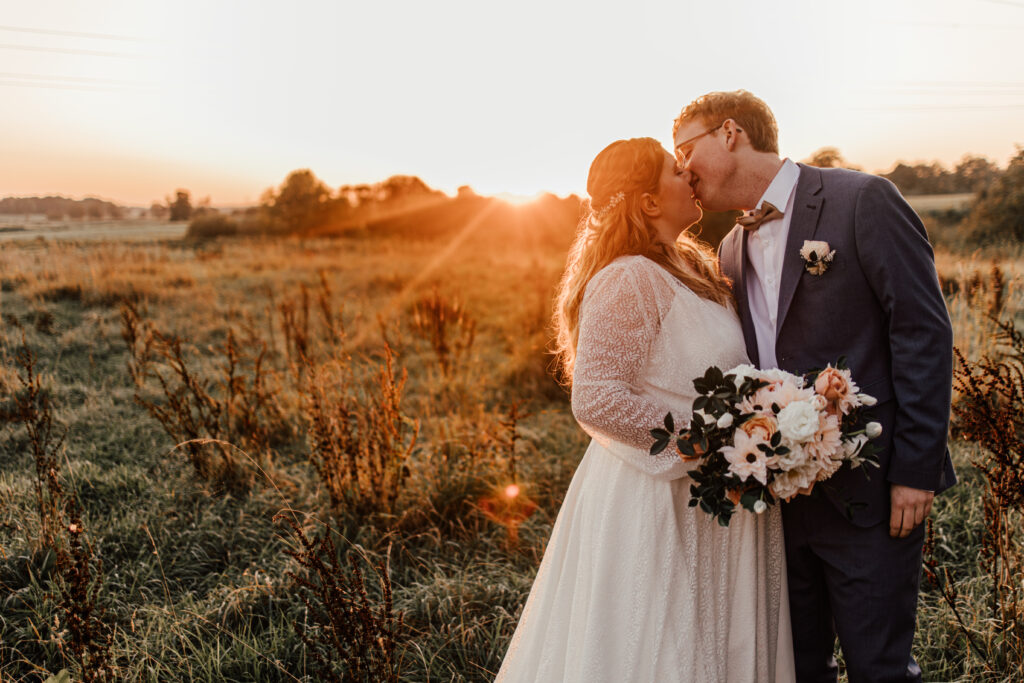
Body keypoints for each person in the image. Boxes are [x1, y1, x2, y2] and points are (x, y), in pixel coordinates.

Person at [672, 90, 955, 683]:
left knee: (880, 667)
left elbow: (922, 334)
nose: (681, 170)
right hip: (776, 505)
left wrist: (914, 471)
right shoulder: (729, 250)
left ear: (730, 134)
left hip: (871, 494)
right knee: (796, 670)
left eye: (685, 149)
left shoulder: (862, 201)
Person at [495, 137, 795, 682]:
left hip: (713, 493)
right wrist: (712, 438)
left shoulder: (692, 265)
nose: (691, 177)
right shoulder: (628, 276)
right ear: (650, 202)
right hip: (657, 497)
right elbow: (597, 397)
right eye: (677, 172)